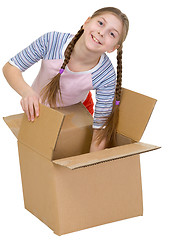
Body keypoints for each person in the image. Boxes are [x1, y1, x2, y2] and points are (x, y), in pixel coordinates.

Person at [2, 7, 129, 152]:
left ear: (113, 48)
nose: (101, 32)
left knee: (71, 149)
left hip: (76, 112)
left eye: (112, 34)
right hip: (39, 109)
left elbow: (100, 129)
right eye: (100, 23)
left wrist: (92, 166)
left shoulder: (106, 74)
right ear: (86, 22)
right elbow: (11, 67)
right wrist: (26, 92)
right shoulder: (52, 41)